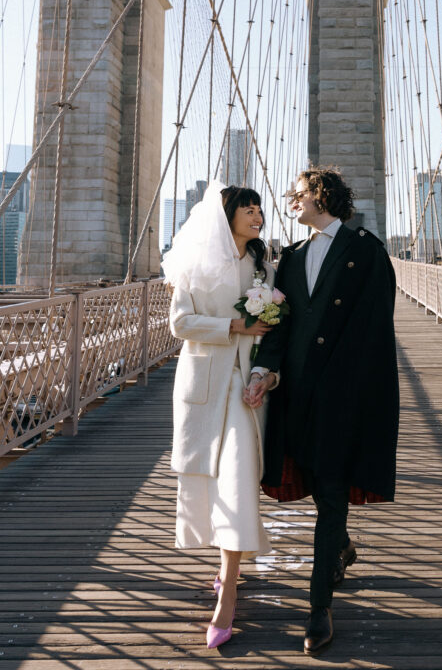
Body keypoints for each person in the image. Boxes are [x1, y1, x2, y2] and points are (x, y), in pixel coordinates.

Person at [244, 166, 399, 655]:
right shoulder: (289, 258)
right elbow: (279, 326)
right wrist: (262, 371)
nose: (291, 202)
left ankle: (318, 609)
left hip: (341, 396)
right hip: (295, 395)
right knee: (315, 485)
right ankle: (343, 548)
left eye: (298, 195)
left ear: (321, 196)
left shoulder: (366, 251)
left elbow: (375, 329)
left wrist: (354, 390)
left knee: (330, 492)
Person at [163, 181, 277, 649]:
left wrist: (267, 374)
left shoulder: (264, 265)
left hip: (248, 389)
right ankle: (226, 568)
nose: (257, 215)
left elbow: (273, 333)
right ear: (225, 215)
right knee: (212, 484)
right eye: (247, 208)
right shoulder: (192, 263)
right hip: (206, 385)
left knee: (237, 479)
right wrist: (233, 325)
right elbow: (180, 324)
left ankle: (228, 591)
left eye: (259, 208)